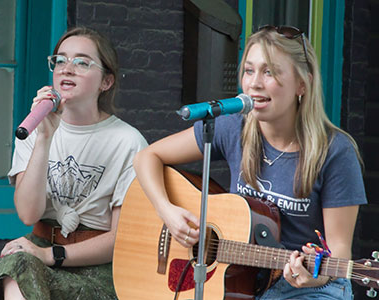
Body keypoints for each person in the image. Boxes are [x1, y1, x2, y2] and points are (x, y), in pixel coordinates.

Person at [133, 25, 367, 299]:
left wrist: (315, 276)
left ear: (303, 84)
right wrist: (168, 212)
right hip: (237, 278)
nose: (254, 83)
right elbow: (146, 157)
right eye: (249, 70)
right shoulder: (233, 127)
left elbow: (339, 250)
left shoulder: (335, 152)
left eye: (270, 72)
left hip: (309, 286)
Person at [0, 27, 148, 300]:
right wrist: (44, 138)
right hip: (38, 249)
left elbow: (121, 238)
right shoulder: (34, 127)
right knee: (13, 266)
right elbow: (27, 214)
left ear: (106, 81)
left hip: (100, 265)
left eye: (82, 62)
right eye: (60, 60)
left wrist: (50, 255)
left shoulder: (128, 142)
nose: (66, 68)